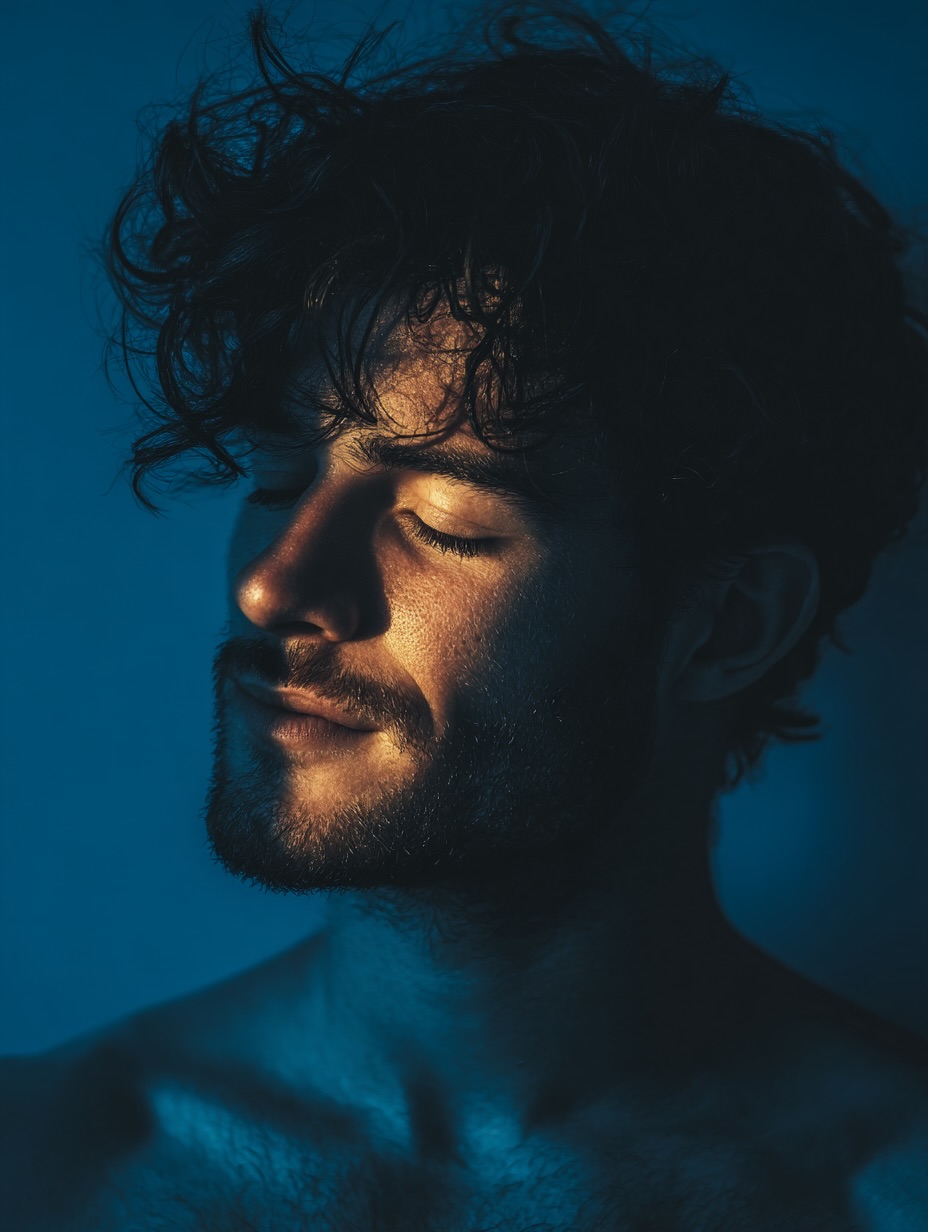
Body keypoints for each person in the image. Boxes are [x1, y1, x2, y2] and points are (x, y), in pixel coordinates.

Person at [4, 2, 928, 1228]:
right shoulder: (44, 1172)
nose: (275, 582)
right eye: (281, 474)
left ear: (731, 623)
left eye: (444, 518)